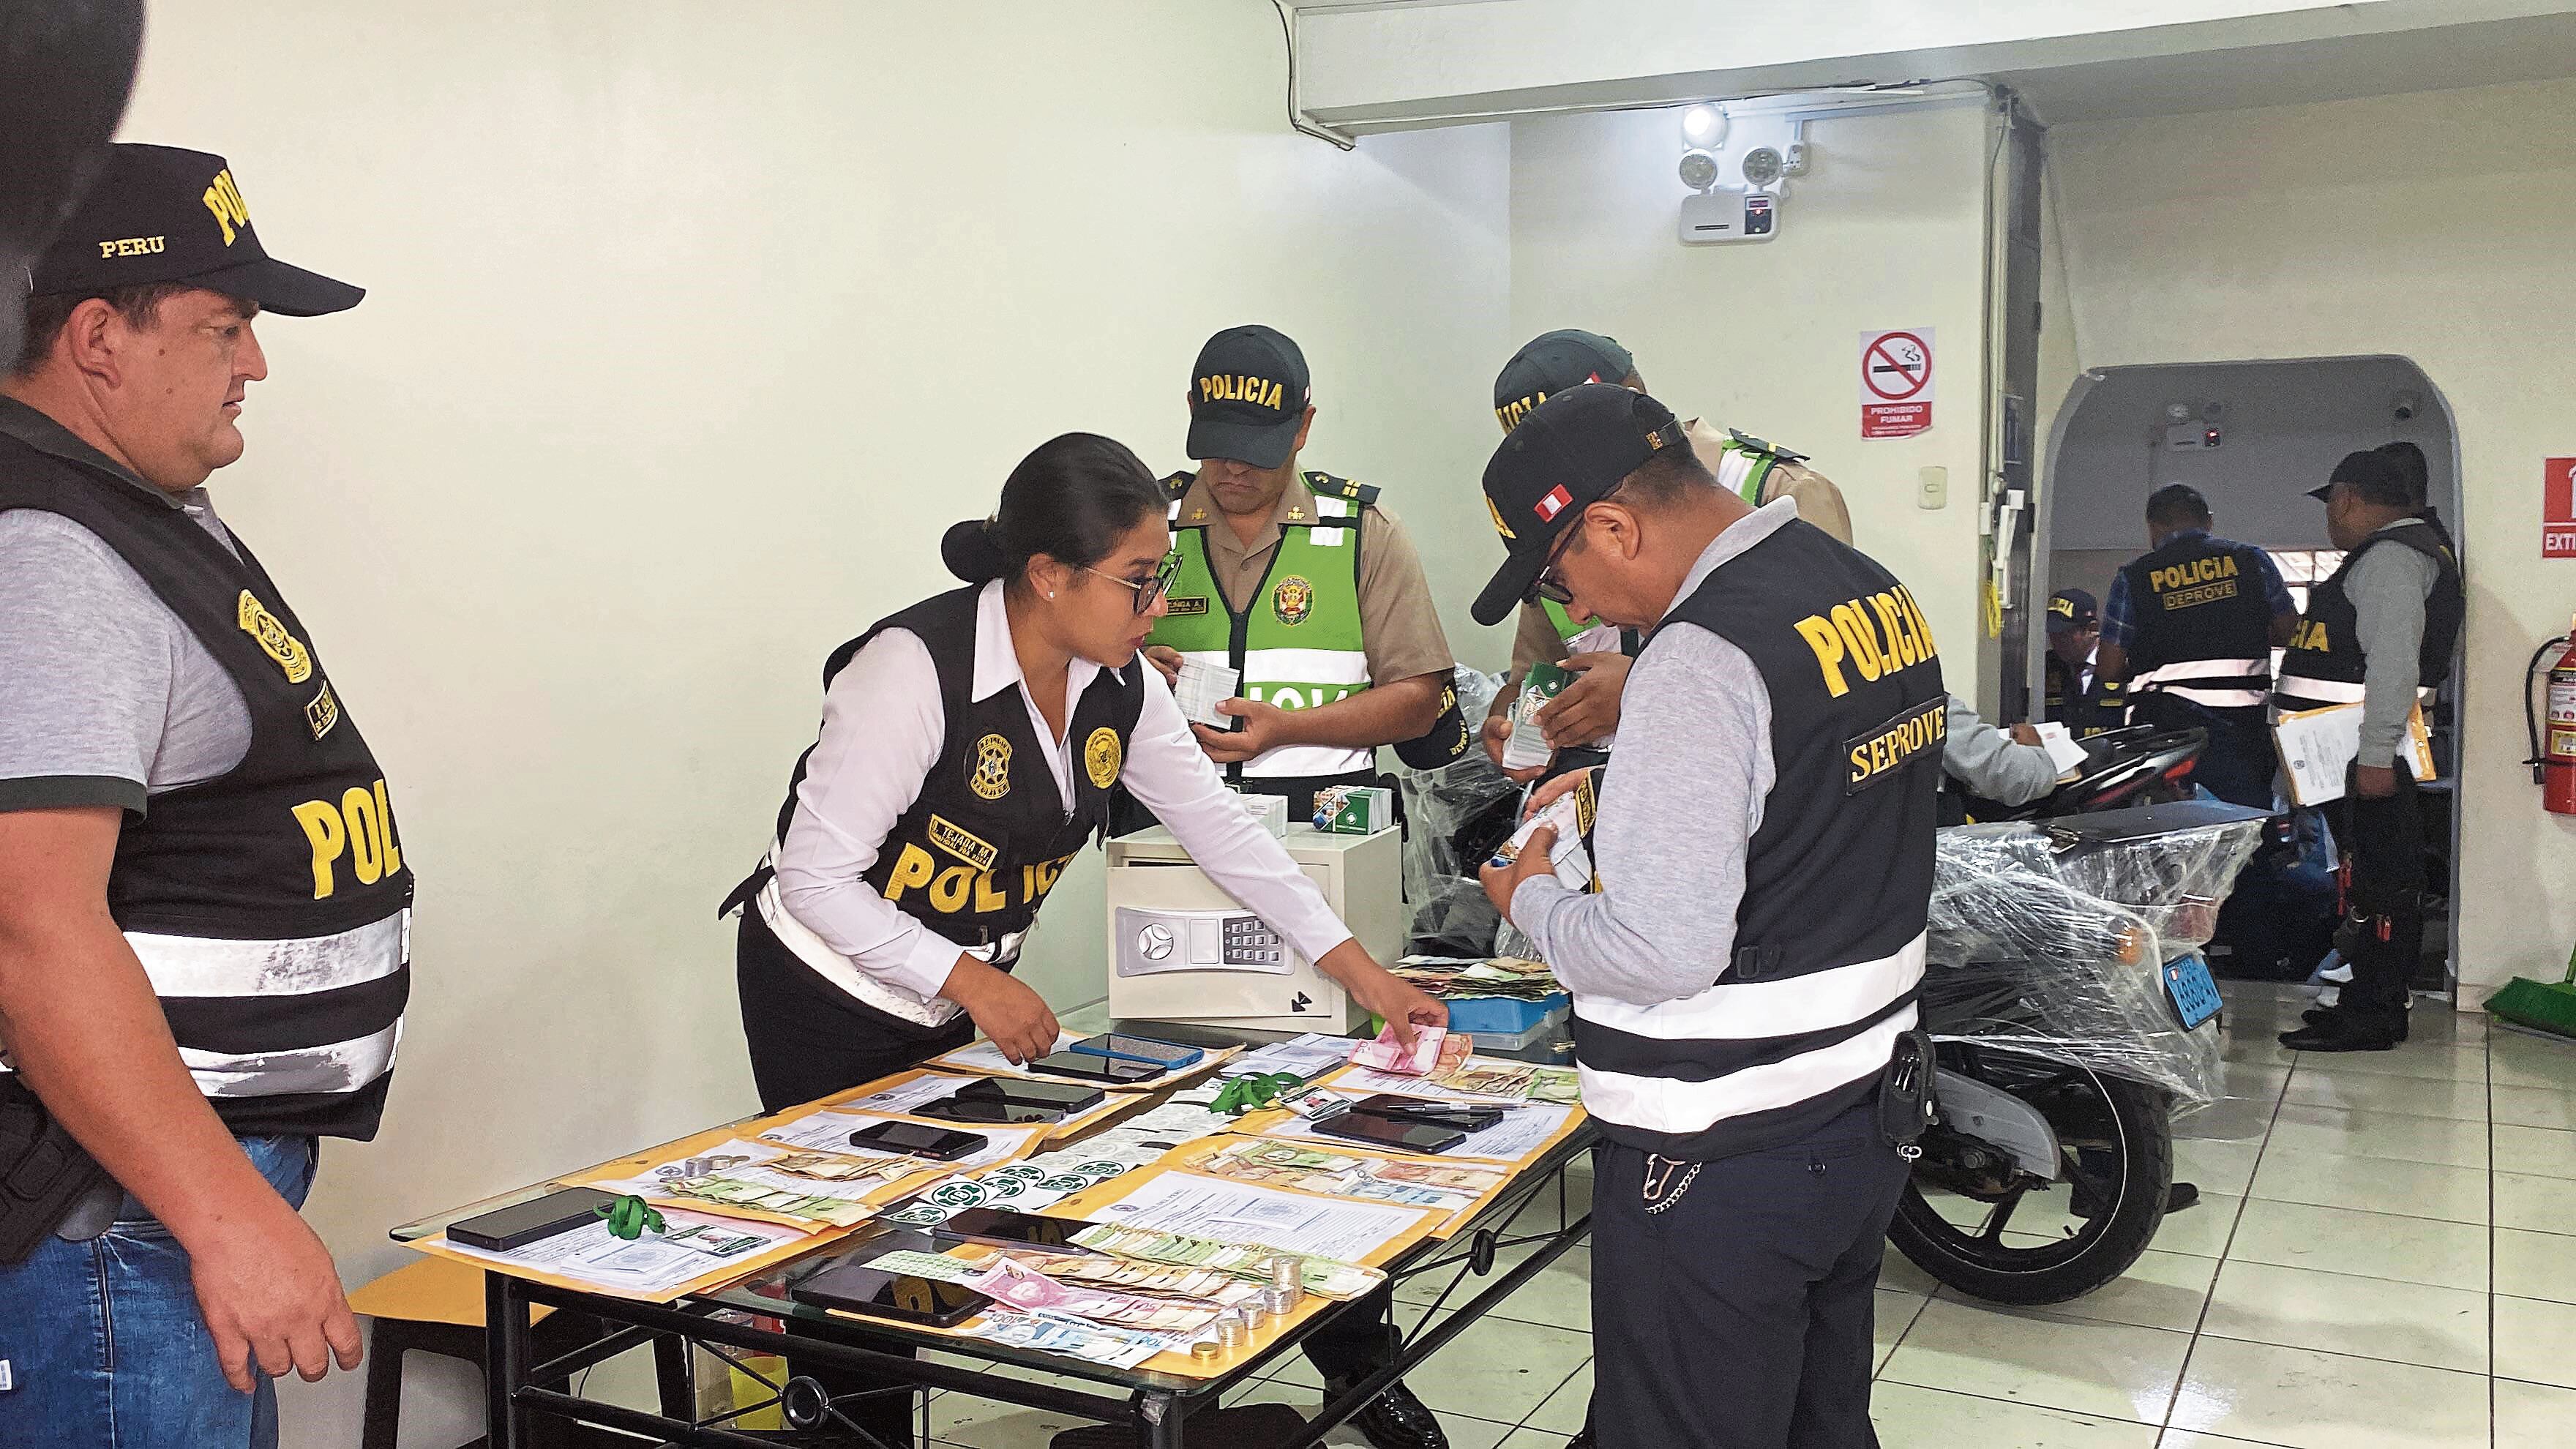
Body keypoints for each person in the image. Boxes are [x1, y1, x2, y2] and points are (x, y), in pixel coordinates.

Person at [722, 433, 1450, 1449]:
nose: (1158, 611)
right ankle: (848, 1434)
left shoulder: (1119, 680)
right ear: (1049, 576)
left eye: (1164, 582)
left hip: (954, 987)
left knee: (963, 1227)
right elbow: (814, 878)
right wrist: (971, 979)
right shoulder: (913, 669)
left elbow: (1222, 829)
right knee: (862, 1271)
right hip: (827, 991)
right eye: (1140, 584)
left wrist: (1362, 971)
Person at [0, 145, 385, 1449]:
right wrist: (227, 1219)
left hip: (163, 1203)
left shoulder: (137, 503)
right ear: (99, 337)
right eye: (226, 327)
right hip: (120, 1224)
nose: (256, 363)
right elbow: (32, 930)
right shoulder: (48, 552)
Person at [1474, 384, 1939, 1449]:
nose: (1574, 602)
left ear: (1614, 527)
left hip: (1721, 1160)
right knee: (1820, 1424)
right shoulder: (1867, 589)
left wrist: (1529, 896)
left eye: (1560, 574)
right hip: (1862, 1114)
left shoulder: (1697, 657)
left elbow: (1660, 950)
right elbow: (1811, 817)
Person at [1126, 325, 1464, 830]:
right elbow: (1076, 677)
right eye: (1219, 447)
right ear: (1194, 411)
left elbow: (1418, 704)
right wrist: (1133, 677)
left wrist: (1288, 728)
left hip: (1327, 827)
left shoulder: (1363, 532)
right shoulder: (1146, 526)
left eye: (1257, 449)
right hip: (1167, 825)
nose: (1235, 467)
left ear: (1303, 428)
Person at [1483, 328, 1857, 782]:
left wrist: (1645, 691)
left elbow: (1834, 682)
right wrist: (1516, 723)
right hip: (1611, 791)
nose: (1578, 612)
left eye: (1575, 423)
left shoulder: (1776, 490)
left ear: (1631, 398)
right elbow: (1531, 674)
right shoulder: (1560, 530)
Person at [2276, 450, 2463, 1052]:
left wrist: (2377, 756)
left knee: (2384, 886)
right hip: (2348, 754)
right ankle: (2362, 1000)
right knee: (2369, 884)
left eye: (2332, 505)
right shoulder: (2395, 554)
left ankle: (2375, 1015)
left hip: (2368, 756)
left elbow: (2393, 663)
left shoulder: (2391, 559)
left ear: (2347, 499)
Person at [2093, 485, 2297, 808]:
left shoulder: (2134, 577)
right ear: (2209, 522)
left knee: (2173, 831)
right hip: (2244, 729)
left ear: (2153, 527)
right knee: (2247, 824)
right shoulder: (2250, 559)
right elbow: (2290, 634)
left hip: (2166, 733)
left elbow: (2108, 667)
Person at [2042, 588, 2107, 733]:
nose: (2057, 641)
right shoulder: (2047, 667)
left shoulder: (2116, 663)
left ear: (2092, 629)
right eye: (2052, 634)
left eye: (2065, 634)